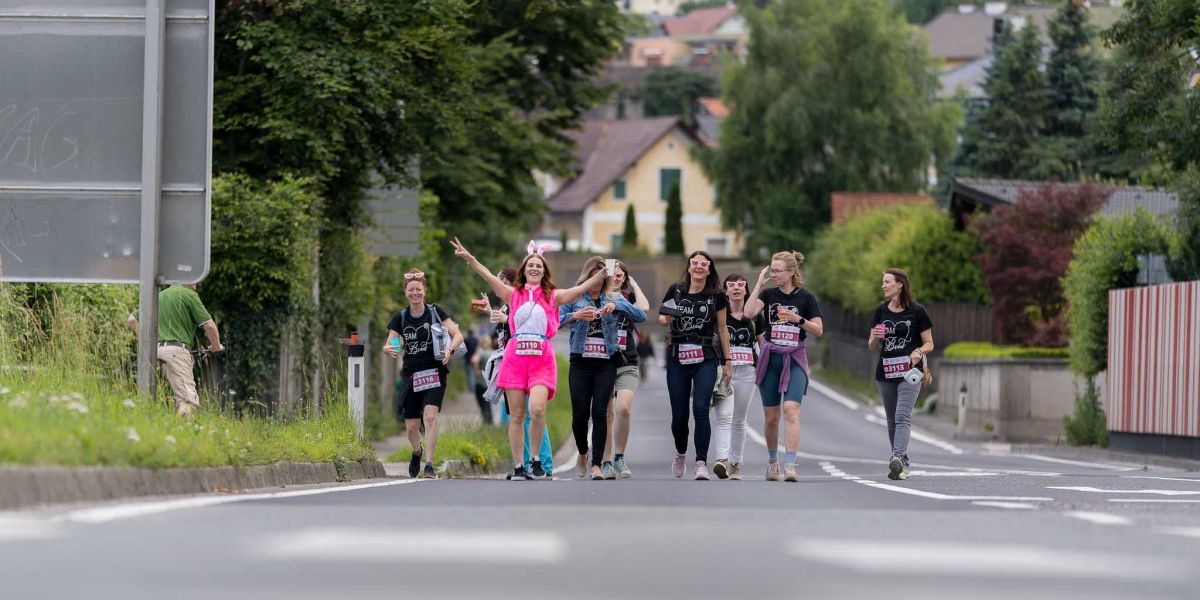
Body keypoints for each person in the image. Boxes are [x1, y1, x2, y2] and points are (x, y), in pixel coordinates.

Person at [452, 238, 605, 481]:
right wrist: (471, 260)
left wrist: (598, 278)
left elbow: (576, 291)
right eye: (530, 265)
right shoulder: (513, 294)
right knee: (517, 414)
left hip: (542, 361)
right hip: (514, 360)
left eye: (539, 266)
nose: (534, 269)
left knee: (537, 409)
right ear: (524, 271)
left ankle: (535, 459)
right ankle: (519, 465)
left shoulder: (552, 296)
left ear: (544, 272)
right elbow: (490, 277)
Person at [559, 257, 646, 480]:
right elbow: (554, 321)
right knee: (580, 414)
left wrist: (618, 305)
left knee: (600, 413)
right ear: (587, 277)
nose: (597, 282)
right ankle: (582, 452)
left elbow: (641, 315)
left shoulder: (613, 296)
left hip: (606, 362)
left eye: (601, 277)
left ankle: (597, 464)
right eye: (593, 277)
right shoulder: (575, 296)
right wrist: (575, 316)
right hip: (580, 362)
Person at [745, 251, 823, 482]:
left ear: (791, 272)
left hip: (795, 357)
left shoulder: (806, 298)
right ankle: (772, 461)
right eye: (772, 270)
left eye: (778, 271)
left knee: (791, 411)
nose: (774, 274)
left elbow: (818, 329)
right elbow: (748, 313)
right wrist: (759, 282)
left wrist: (796, 319)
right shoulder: (768, 295)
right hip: (771, 359)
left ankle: (790, 464)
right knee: (771, 418)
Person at [383, 268, 464, 480]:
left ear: (424, 291)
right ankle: (416, 451)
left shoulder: (436, 312)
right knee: (411, 425)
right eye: (411, 290)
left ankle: (429, 463)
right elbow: (391, 342)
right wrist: (388, 348)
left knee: (430, 416)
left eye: (418, 289)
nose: (415, 293)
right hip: (411, 374)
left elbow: (458, 334)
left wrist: (450, 349)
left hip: (435, 370)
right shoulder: (400, 318)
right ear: (406, 293)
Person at [659, 250, 732, 481]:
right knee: (679, 415)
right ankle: (681, 453)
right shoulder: (676, 290)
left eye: (703, 263)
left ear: (709, 269)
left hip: (705, 356)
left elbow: (722, 328)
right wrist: (666, 319)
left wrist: (728, 361)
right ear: (689, 267)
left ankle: (701, 462)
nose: (699, 267)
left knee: (701, 409)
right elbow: (662, 318)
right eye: (695, 263)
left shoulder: (717, 295)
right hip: (678, 356)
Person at [868, 268, 934, 481]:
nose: (883, 286)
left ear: (900, 285)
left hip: (909, 372)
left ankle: (896, 457)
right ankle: (901, 462)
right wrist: (875, 337)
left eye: (887, 282)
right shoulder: (880, 311)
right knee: (890, 420)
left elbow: (930, 343)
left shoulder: (917, 311)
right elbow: (871, 345)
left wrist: (918, 351)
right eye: (883, 282)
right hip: (886, 371)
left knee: (901, 416)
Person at [488, 266, 554, 475]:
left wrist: (505, 319)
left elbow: (536, 326)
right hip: (512, 364)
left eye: (503, 281)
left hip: (531, 362)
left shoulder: (524, 302)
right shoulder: (507, 306)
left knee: (533, 412)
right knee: (518, 416)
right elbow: (499, 339)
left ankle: (542, 463)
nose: (501, 286)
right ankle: (524, 464)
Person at [126, 283, 223, 417]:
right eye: (194, 279)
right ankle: (183, 436)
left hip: (154, 351)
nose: (197, 283)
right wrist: (216, 346)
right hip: (176, 352)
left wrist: (146, 343)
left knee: (153, 397)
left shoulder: (158, 296)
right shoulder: (188, 295)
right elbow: (209, 325)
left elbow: (132, 320)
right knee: (188, 402)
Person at [710, 274, 761, 481]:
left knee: (739, 421)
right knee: (724, 416)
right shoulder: (720, 314)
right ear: (726, 290)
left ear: (746, 290)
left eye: (741, 285)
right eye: (732, 285)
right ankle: (721, 460)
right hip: (724, 371)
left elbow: (763, 344)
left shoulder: (755, 316)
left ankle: (736, 463)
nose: (737, 289)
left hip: (748, 371)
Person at [603, 262, 650, 478]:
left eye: (622, 275)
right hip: (601, 360)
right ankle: (603, 460)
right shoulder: (597, 295)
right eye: (613, 274)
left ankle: (619, 458)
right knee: (605, 413)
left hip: (627, 360)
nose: (617, 277)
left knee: (624, 408)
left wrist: (635, 285)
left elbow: (644, 310)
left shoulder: (627, 298)